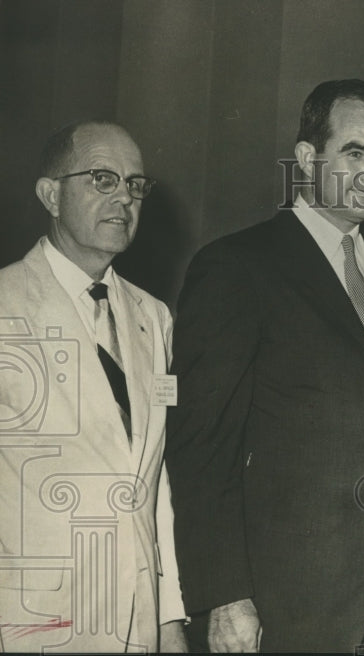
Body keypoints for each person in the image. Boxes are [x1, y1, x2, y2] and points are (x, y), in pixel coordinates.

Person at [165, 79, 364, 652]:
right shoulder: (238, 267)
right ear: (307, 158)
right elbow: (201, 448)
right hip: (281, 604)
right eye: (354, 153)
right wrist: (223, 594)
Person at [0, 120, 187, 652]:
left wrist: (170, 616)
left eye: (134, 185)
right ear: (49, 195)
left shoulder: (155, 317)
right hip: (33, 623)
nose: (123, 198)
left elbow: (158, 480)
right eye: (102, 179)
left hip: (139, 620)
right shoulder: (5, 304)